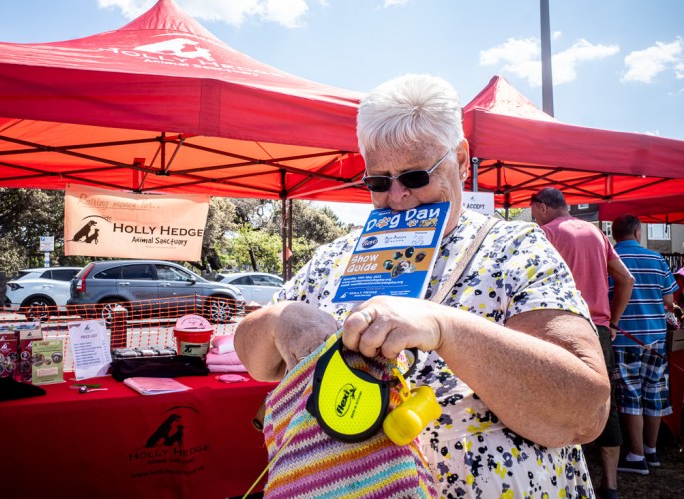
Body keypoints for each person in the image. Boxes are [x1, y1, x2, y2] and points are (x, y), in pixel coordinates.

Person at [235, 74, 610, 498]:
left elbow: (586, 413)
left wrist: (444, 327)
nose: (397, 196)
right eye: (378, 181)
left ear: (462, 160)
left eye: (415, 177)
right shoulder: (335, 256)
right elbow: (253, 357)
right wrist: (279, 321)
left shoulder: (515, 248)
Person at [531, 187, 635, 499]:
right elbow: (626, 279)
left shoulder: (545, 234)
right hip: (599, 330)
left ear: (542, 207)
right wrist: (613, 322)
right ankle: (611, 485)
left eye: (533, 210)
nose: (533, 216)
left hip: (559, 324)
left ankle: (561, 475)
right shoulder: (596, 233)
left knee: (555, 398)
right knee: (605, 402)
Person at [608, 214, 678, 476]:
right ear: (638, 232)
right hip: (656, 338)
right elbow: (669, 301)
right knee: (654, 394)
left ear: (615, 234)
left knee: (630, 396)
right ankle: (651, 450)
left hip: (624, 337)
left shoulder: (610, 258)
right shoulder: (657, 259)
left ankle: (636, 456)